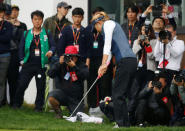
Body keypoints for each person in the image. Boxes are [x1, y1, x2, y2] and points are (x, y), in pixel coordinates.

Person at [91, 12, 137, 127]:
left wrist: (102, 64)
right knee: (121, 94)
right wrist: (104, 66)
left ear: (98, 23)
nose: (97, 31)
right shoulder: (112, 25)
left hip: (125, 61)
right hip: (130, 61)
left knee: (117, 94)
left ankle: (121, 124)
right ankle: (125, 124)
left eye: (96, 28)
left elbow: (106, 47)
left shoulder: (108, 24)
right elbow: (110, 52)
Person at [12, 10, 56, 111]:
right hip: (27, 65)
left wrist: (51, 51)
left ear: (42, 20)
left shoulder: (47, 33)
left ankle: (38, 107)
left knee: (40, 87)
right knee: (21, 85)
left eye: (39, 19)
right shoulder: (26, 33)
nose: (37, 22)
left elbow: (53, 45)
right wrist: (22, 61)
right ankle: (16, 105)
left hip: (41, 65)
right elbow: (21, 47)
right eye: (35, 19)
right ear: (32, 20)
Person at [48, 45, 89, 118]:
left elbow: (85, 76)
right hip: (63, 94)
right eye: (68, 56)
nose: (70, 59)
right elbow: (50, 74)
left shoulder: (81, 65)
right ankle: (58, 112)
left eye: (72, 57)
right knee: (51, 96)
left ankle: (73, 109)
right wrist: (58, 64)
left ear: (76, 57)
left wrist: (74, 67)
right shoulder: (61, 64)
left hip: (75, 98)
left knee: (77, 117)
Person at [85, 7, 113, 114]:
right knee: (92, 84)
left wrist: (108, 63)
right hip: (92, 60)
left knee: (105, 84)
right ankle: (92, 106)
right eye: (95, 16)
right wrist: (87, 61)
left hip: (105, 60)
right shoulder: (88, 29)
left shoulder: (107, 29)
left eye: (99, 17)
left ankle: (105, 107)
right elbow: (86, 46)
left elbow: (109, 47)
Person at [6, 5, 27, 106]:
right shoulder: (5, 24)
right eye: (13, 11)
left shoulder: (22, 25)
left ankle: (14, 102)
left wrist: (17, 27)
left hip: (16, 54)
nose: (14, 13)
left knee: (13, 79)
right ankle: (3, 101)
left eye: (16, 11)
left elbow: (22, 36)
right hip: (6, 52)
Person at [132, 23, 156, 89]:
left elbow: (152, 56)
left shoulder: (154, 42)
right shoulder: (136, 41)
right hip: (138, 68)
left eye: (147, 30)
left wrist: (148, 44)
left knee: (148, 89)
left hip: (149, 69)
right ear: (141, 31)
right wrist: (139, 44)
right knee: (136, 88)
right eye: (143, 30)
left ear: (150, 32)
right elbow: (133, 54)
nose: (144, 32)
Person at [0, 3, 13, 107]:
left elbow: (7, 38)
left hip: (5, 55)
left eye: (2, 12)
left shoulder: (8, 25)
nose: (0, 14)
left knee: (2, 79)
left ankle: (1, 101)